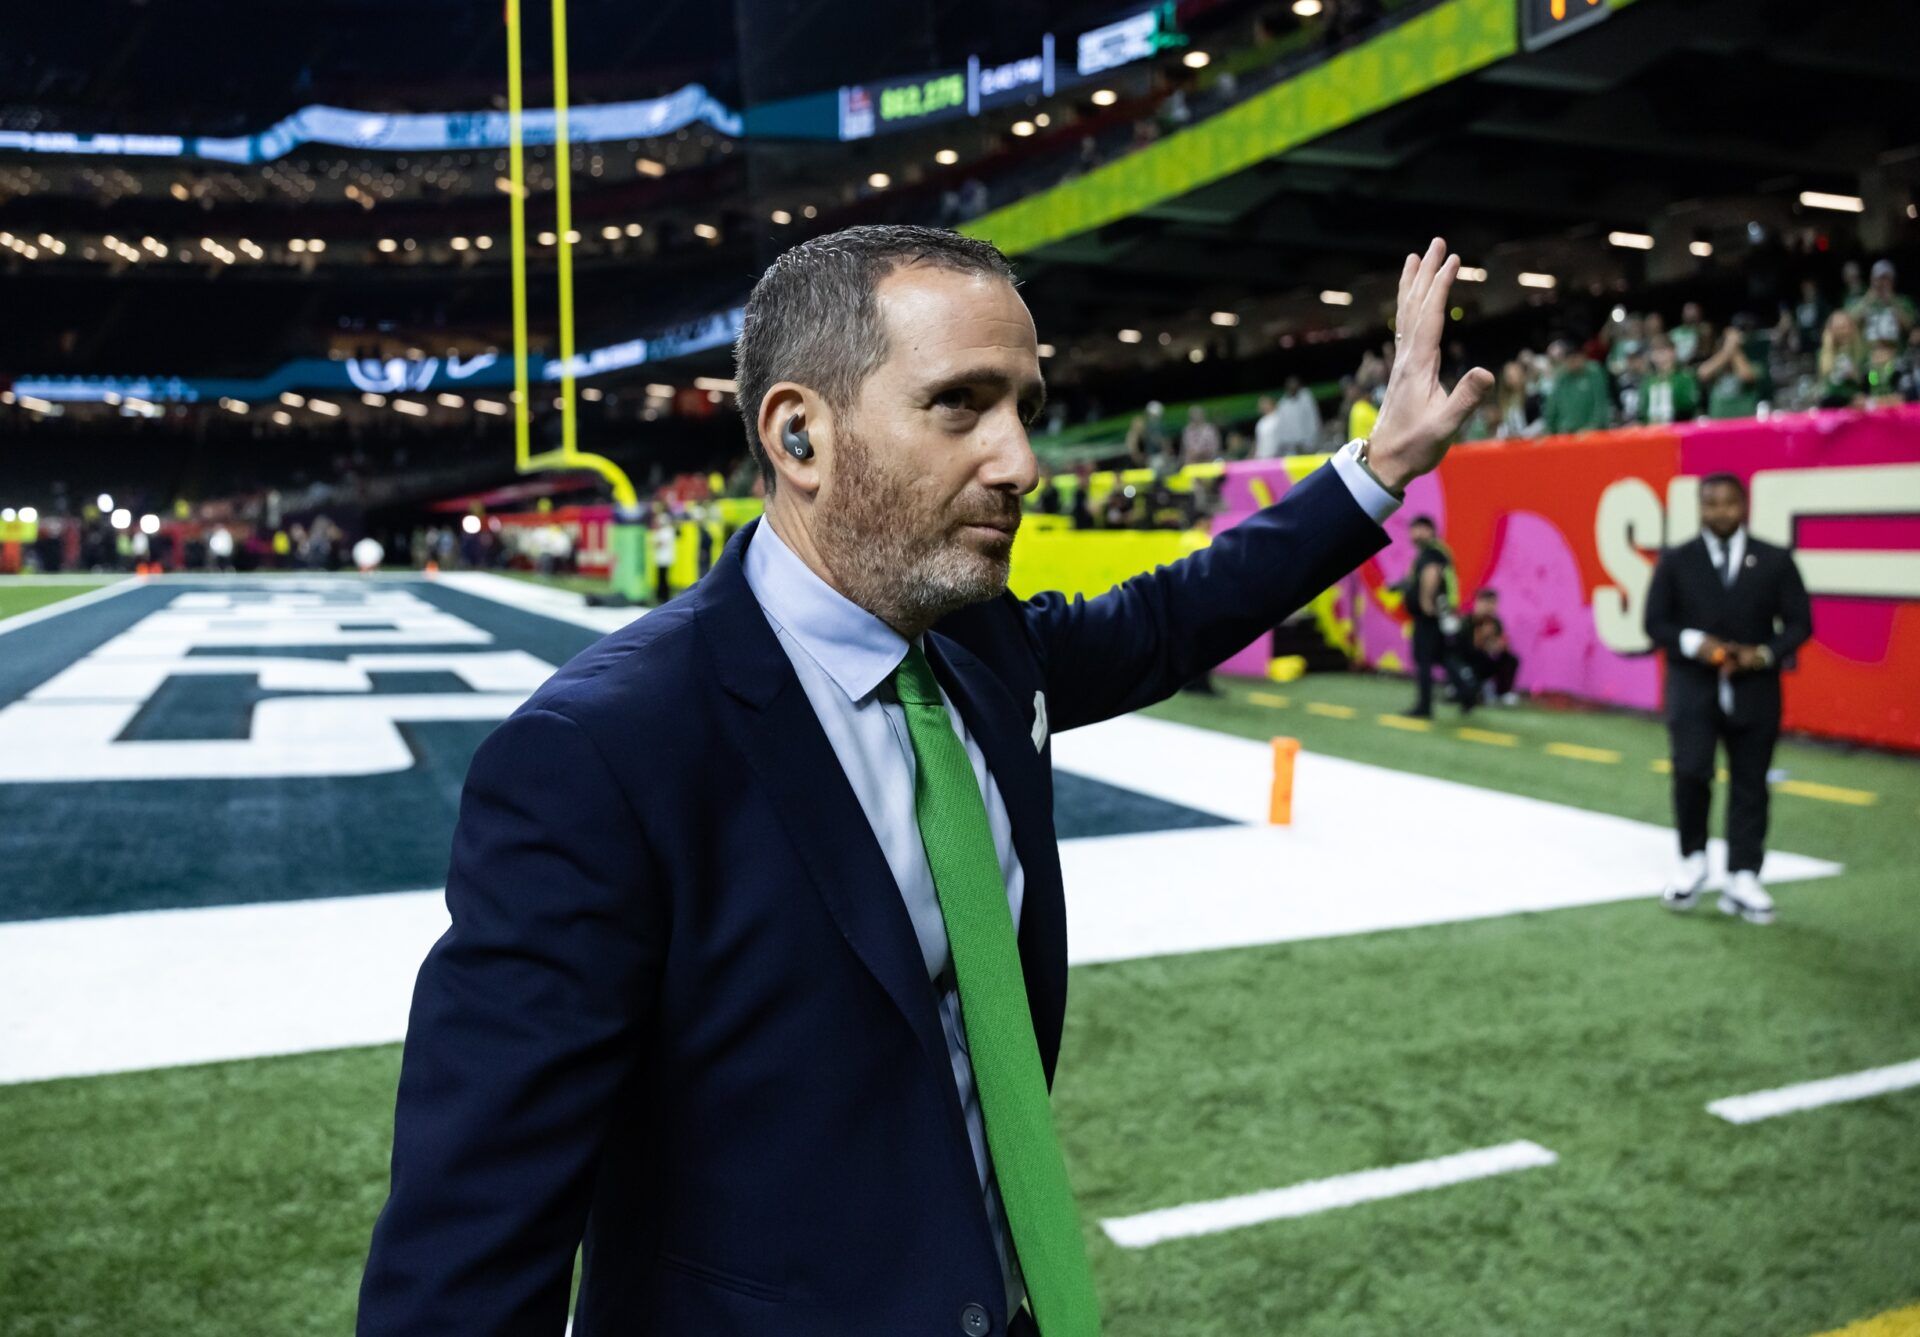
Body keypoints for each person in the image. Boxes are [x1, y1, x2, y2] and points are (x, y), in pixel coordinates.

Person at [357, 226, 1490, 1336]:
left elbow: (1166, 618)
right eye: (961, 404)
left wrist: (1378, 467)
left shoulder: (982, 647)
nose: (1021, 462)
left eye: (1026, 411)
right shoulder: (600, 755)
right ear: (799, 435)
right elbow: (469, 1246)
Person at [1643, 473, 1811, 925]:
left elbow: (1800, 624)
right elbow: (1654, 623)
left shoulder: (1774, 560)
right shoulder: (1678, 560)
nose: (1721, 512)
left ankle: (1743, 876)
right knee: (1692, 772)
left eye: (1729, 503)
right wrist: (1695, 642)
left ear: (1744, 506)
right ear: (1700, 507)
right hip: (1692, 687)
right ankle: (1692, 860)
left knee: (1751, 781)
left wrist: (1762, 654)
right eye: (1711, 503)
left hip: (1755, 689)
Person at [1399, 515, 1477, 718]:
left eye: (1420, 529)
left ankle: (1424, 706)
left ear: (1430, 531)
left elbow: (1431, 575)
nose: (1415, 533)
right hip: (1437, 615)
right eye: (1413, 529)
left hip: (1429, 616)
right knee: (1442, 656)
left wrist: (1425, 603)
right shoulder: (1432, 552)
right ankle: (1468, 693)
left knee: (1424, 660)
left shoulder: (1432, 553)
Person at [1541, 338, 1611, 434]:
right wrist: (1550, 428)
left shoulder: (1594, 372)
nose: (1573, 362)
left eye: (1575, 358)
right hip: (1566, 432)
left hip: (1591, 433)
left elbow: (1600, 403)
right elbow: (1553, 405)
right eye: (1569, 359)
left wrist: (1593, 427)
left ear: (1582, 357)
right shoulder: (1562, 377)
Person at [1465, 588, 1520, 704]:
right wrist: (1482, 636)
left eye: (1493, 603)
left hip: (1489, 657)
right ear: (1478, 603)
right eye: (1487, 602)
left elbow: (1501, 643)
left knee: (1511, 659)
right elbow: (1467, 647)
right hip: (1472, 659)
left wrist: (1499, 645)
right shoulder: (1469, 620)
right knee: (1477, 657)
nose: (1490, 607)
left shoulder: (1496, 622)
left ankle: (1504, 692)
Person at [1638, 337, 1700, 425]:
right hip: (1652, 431)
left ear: (1673, 352)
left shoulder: (1684, 378)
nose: (1660, 356)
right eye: (1656, 352)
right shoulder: (1648, 381)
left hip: (1678, 429)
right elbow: (1643, 409)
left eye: (1663, 351)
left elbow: (1689, 405)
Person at [650, 507, 678, 602]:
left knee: (663, 579)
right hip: (661, 558)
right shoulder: (664, 531)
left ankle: (663, 597)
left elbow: (660, 544)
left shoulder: (667, 531)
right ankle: (661, 596)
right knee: (661, 578)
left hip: (664, 559)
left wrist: (653, 542)